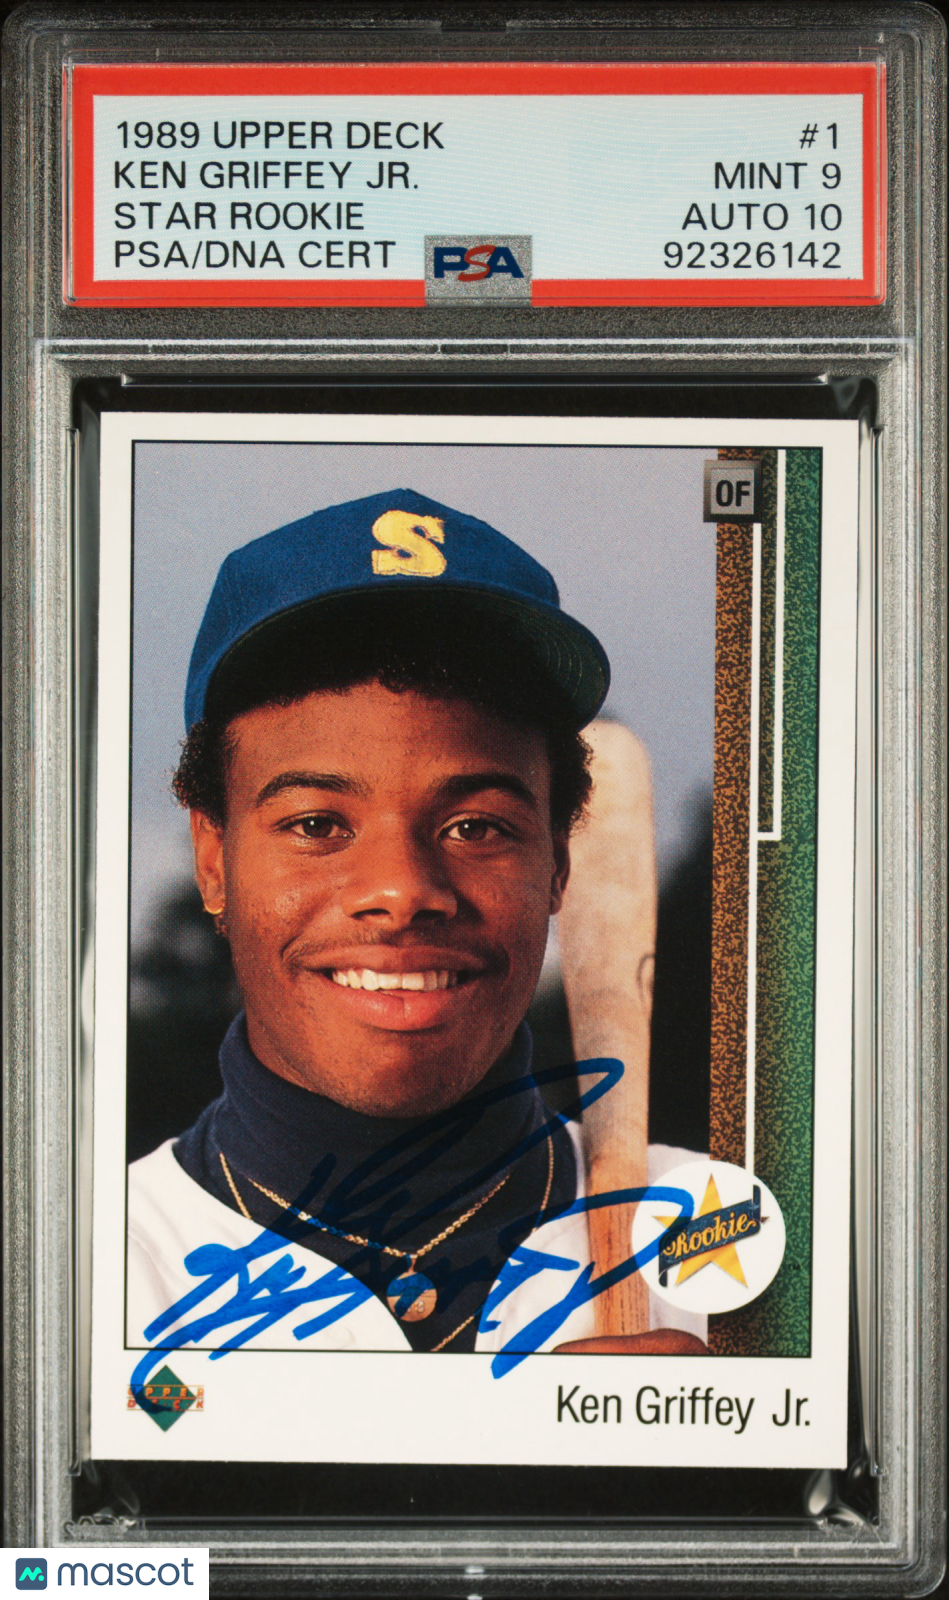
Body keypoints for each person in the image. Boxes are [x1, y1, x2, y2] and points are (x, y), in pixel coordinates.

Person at [127, 488, 705, 1356]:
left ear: (557, 862)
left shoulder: (736, 1256)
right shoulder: (76, 1274)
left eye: (475, 827)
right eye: (316, 824)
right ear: (214, 860)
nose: (402, 892)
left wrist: (741, 1437)